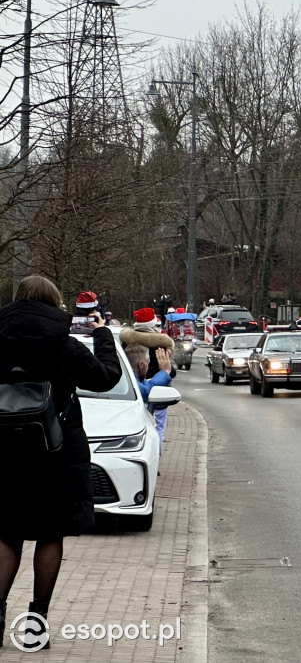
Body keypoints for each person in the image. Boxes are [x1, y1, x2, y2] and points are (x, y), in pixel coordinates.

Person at [0, 275, 122, 647]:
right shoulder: (64, 344)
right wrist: (103, 337)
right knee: (50, 533)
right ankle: (36, 623)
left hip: (6, 452)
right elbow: (106, 380)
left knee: (6, 533)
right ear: (54, 303)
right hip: (56, 451)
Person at [121, 308, 174, 454]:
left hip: (132, 388)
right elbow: (171, 370)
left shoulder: (126, 342)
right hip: (159, 391)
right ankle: (155, 459)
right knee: (159, 428)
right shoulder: (161, 343)